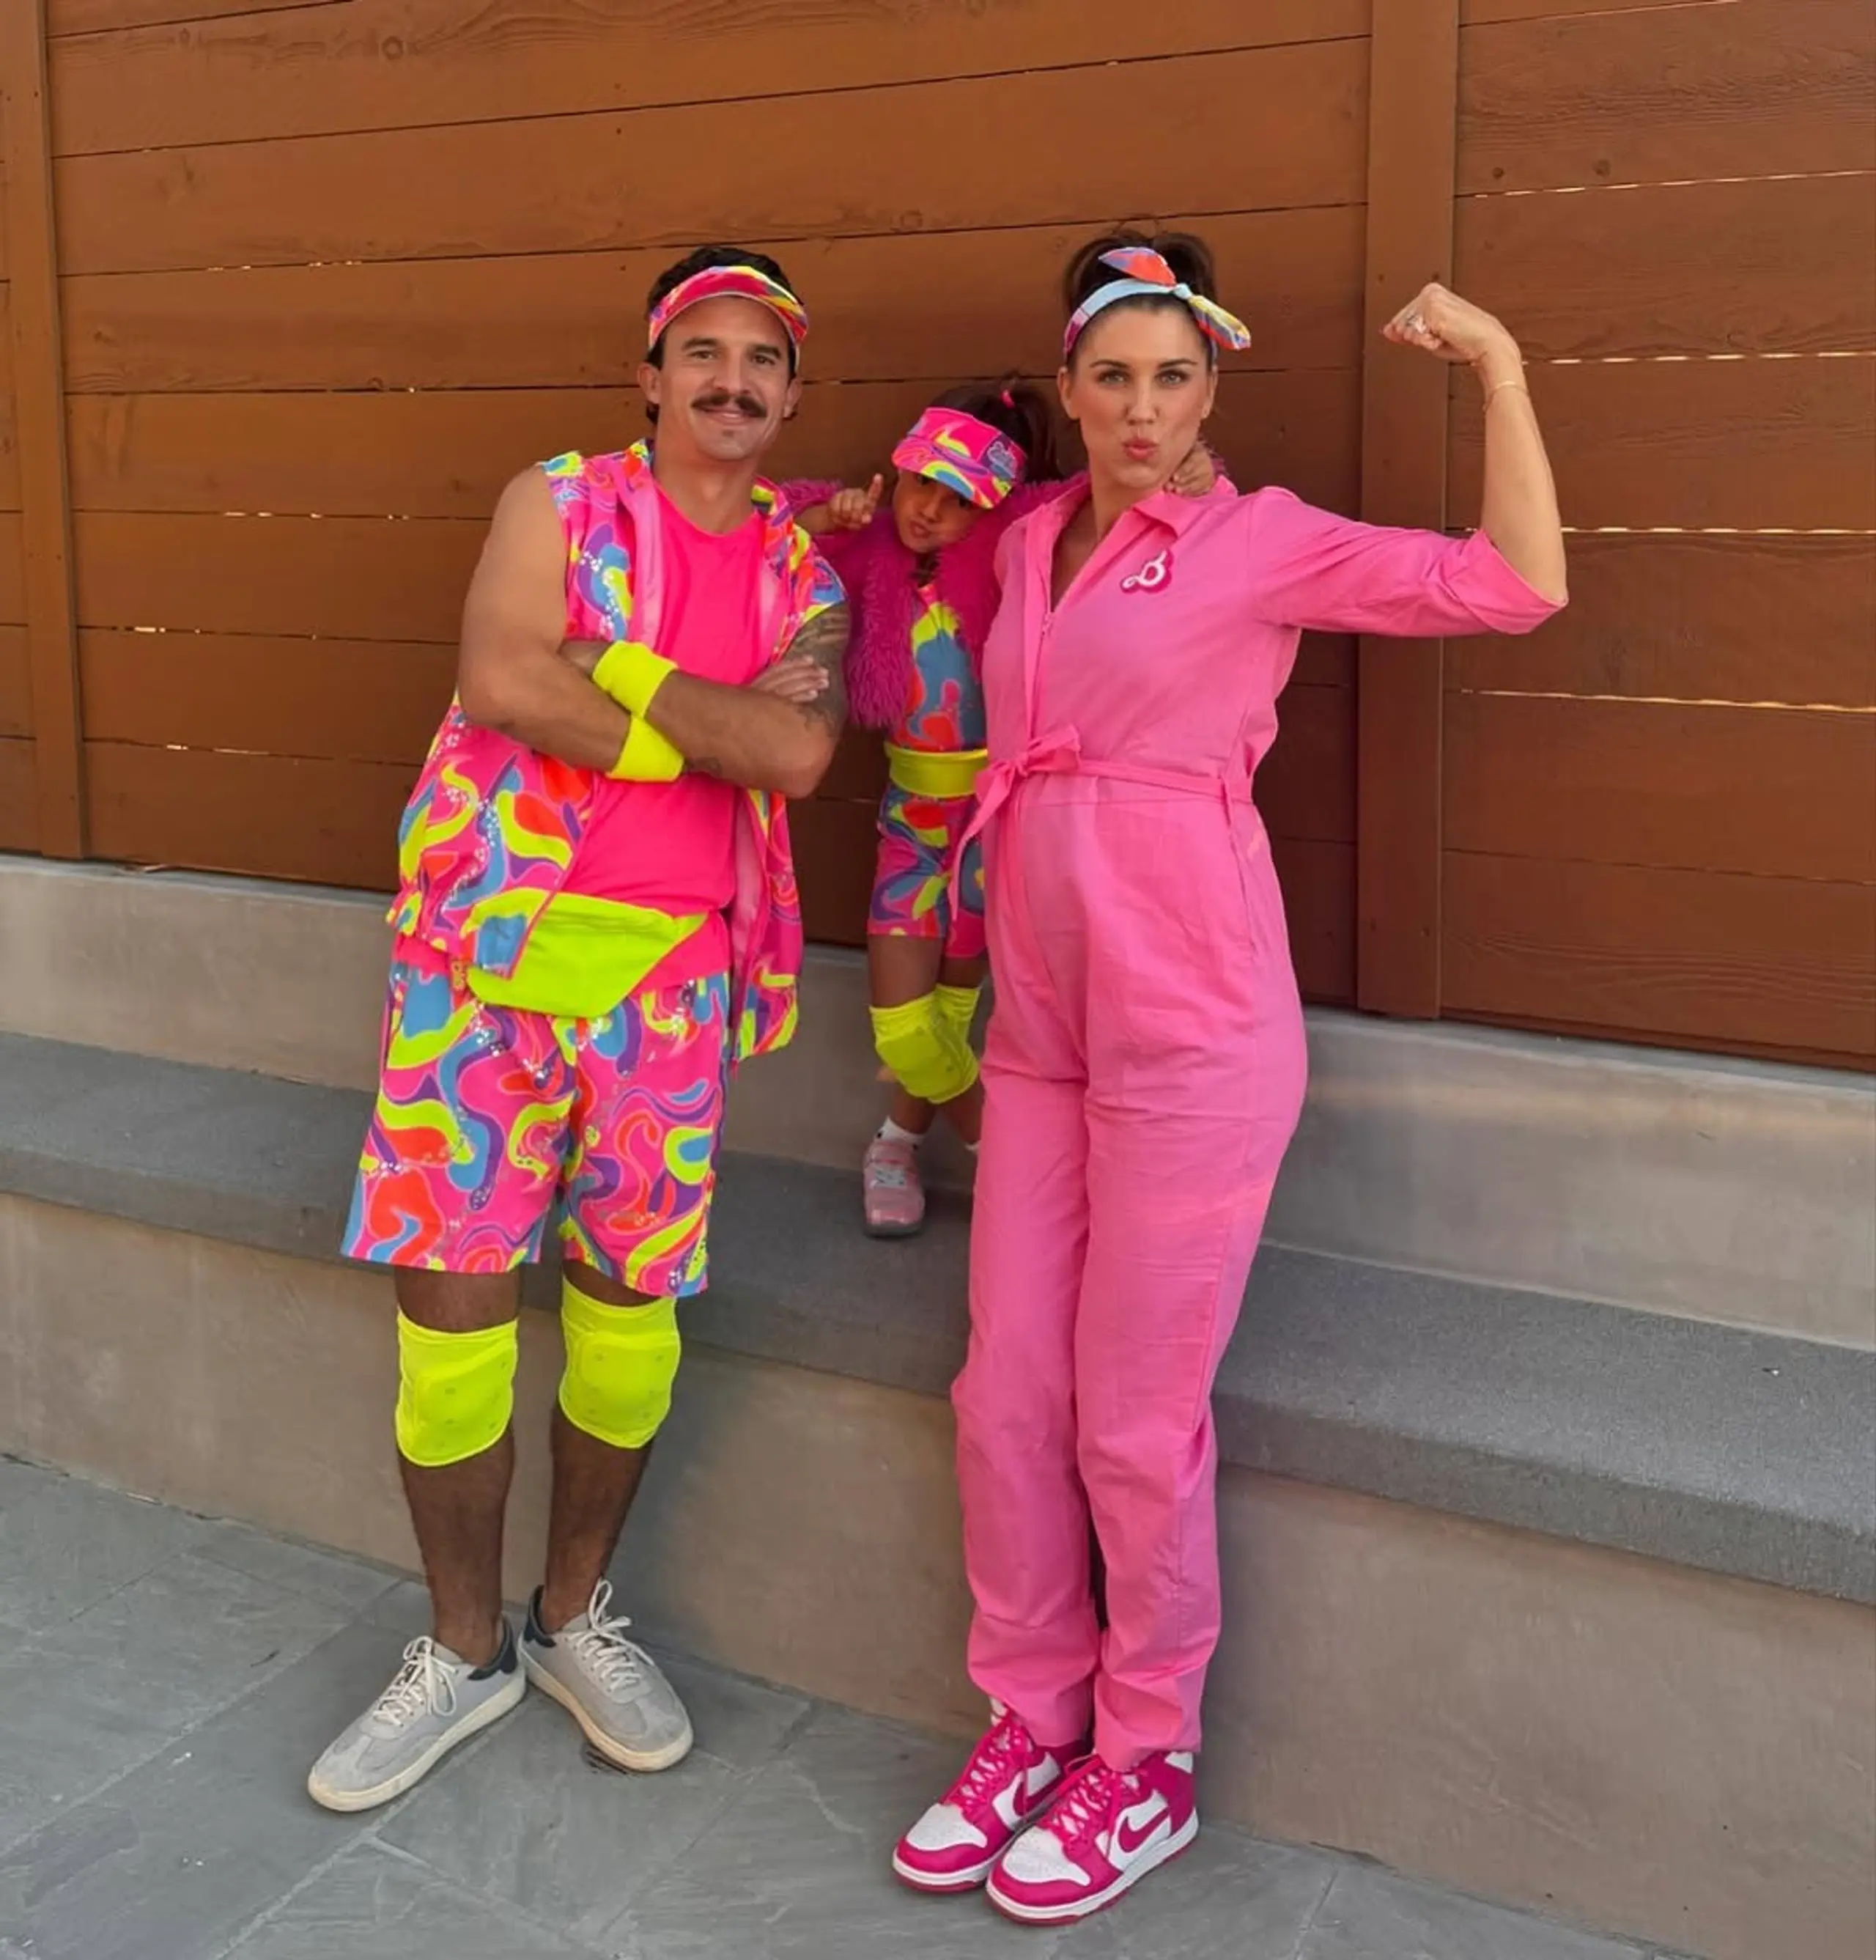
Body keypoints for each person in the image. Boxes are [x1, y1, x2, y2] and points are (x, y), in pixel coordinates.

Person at [891, 232, 1567, 1923]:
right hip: (1038, 1028)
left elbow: (1512, 584)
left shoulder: (1259, 543)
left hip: (1190, 1025)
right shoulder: (1031, 540)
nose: (1138, 408)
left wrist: (1493, 367)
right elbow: (886, 535)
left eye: (1171, 376)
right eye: (1108, 377)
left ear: (1211, 387)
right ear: (1064, 390)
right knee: (1003, 1397)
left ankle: (1145, 1754)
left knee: (1130, 1414)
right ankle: (1027, 1710)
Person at [311, 245, 849, 1813]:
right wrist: (703, 719)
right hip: (482, 971)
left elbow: (798, 753)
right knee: (451, 1335)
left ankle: (570, 1617)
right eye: (703, 353)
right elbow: (497, 680)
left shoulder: (801, 577)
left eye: (761, 361)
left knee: (628, 1325)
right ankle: (462, 1646)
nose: (730, 381)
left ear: (789, 392)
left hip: (666, 992)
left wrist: (603, 662)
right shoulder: (557, 498)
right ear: (650, 371)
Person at [786, 388, 1214, 1237]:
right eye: (918, 485)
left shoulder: (1015, 556)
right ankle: (1008, 1158)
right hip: (910, 825)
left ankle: (897, 1139)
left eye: (958, 499)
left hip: (999, 827)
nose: (929, 510)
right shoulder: (870, 555)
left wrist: (1190, 469)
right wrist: (825, 519)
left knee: (951, 1012)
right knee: (904, 1026)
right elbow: (770, 540)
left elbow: (1106, 507)